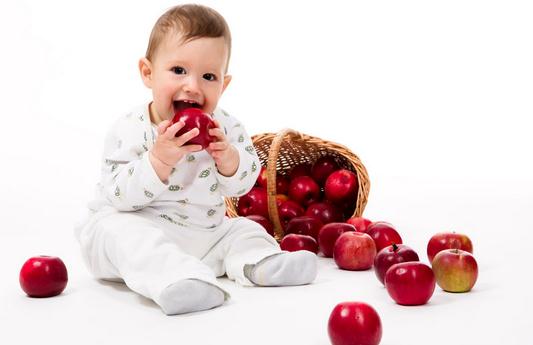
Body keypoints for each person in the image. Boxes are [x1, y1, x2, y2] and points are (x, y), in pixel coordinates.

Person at [74, 4, 317, 315]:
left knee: (243, 230)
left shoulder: (225, 128)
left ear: (223, 84)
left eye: (208, 76)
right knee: (117, 231)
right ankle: (177, 279)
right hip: (141, 228)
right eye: (178, 71)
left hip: (206, 235)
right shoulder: (129, 129)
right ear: (148, 73)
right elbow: (117, 195)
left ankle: (262, 263)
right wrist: (158, 161)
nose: (193, 86)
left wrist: (228, 159)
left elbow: (241, 188)